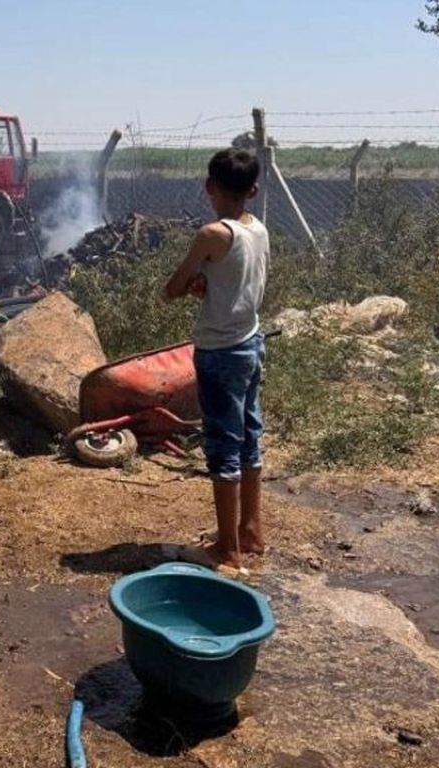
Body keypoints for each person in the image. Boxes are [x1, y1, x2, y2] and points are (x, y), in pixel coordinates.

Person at [163, 148, 269, 570]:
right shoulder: (257, 229)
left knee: (222, 448)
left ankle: (226, 550)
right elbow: (235, 279)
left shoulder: (212, 235)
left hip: (220, 351)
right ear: (254, 190)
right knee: (248, 438)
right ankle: (250, 531)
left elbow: (172, 288)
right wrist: (206, 283)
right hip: (251, 342)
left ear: (210, 187)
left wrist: (191, 282)